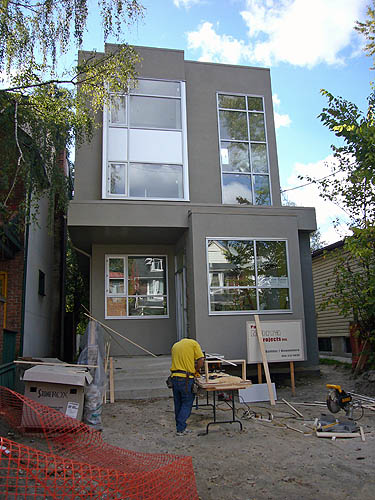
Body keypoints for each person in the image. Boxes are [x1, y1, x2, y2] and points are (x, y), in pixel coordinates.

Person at [170, 338, 204, 436]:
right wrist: (196, 369)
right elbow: (201, 359)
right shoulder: (194, 344)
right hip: (186, 379)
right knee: (187, 402)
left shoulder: (175, 345)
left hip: (174, 377)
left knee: (178, 403)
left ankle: (180, 427)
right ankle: (181, 428)